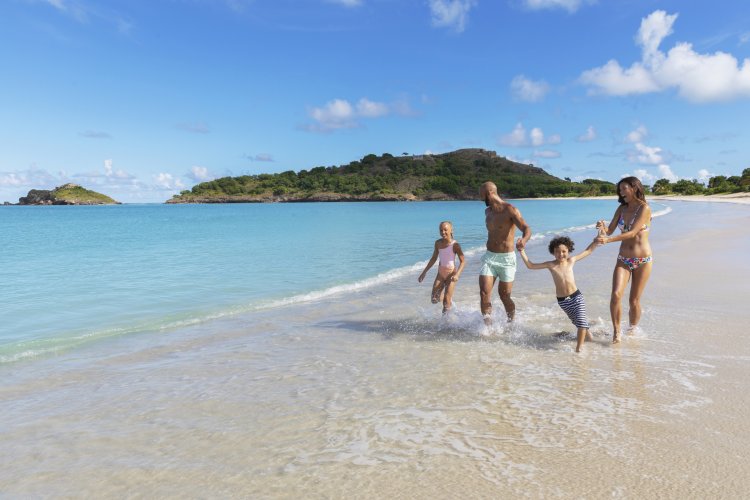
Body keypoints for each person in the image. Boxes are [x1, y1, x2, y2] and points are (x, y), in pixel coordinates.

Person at [595, 176, 653, 343]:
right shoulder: (621, 208)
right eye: (619, 190)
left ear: (634, 188)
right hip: (623, 259)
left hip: (643, 260)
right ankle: (617, 332)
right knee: (615, 295)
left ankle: (632, 329)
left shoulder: (644, 208)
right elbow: (609, 231)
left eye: (624, 188)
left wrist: (608, 240)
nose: (621, 192)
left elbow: (632, 233)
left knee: (634, 300)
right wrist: (602, 228)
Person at [519, 236, 599, 352]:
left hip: (576, 297)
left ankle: (579, 349)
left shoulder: (571, 261)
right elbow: (530, 265)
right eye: (557, 251)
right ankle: (589, 339)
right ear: (553, 252)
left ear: (568, 251)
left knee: (581, 323)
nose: (561, 254)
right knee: (578, 323)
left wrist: (596, 241)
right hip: (563, 302)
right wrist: (522, 251)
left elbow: (588, 251)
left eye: (563, 251)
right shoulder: (551, 265)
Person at [478, 181, 532, 325]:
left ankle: (511, 322)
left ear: (489, 193)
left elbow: (526, 228)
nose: (480, 198)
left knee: (504, 296)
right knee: (484, 293)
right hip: (489, 257)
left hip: (507, 259)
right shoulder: (487, 212)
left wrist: (524, 240)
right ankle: (487, 327)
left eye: (481, 195)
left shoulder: (510, 210)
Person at [418, 221, 466, 313]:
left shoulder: (455, 245)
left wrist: (457, 275)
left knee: (446, 303)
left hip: (451, 273)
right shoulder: (438, 243)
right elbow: (433, 258)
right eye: (441, 230)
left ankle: (446, 318)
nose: (443, 232)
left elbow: (463, 261)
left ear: (451, 230)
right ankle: (448, 299)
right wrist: (424, 272)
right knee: (434, 299)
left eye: (445, 230)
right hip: (440, 273)